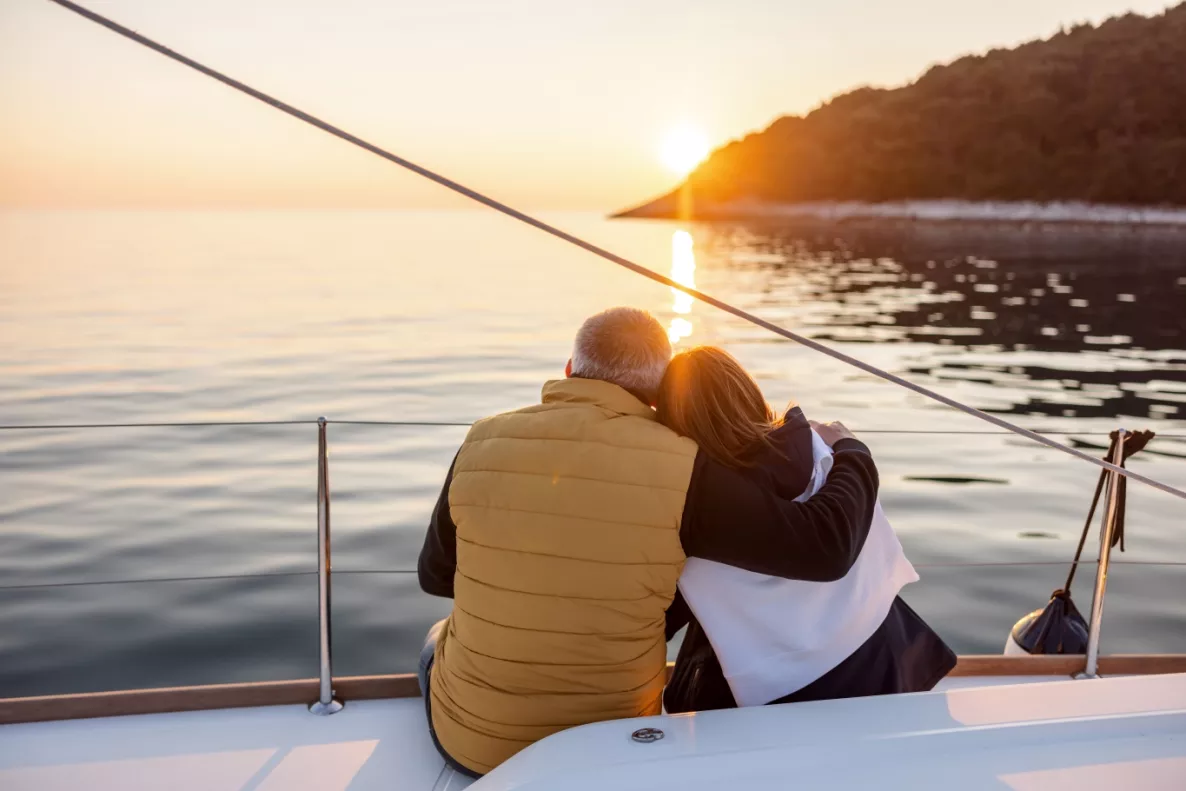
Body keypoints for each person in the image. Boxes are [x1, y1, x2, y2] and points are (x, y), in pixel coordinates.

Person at [417, 307, 883, 777]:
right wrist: (850, 452)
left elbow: (435, 576)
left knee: (435, 639)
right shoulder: (687, 468)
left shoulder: (481, 440)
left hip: (474, 748)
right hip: (612, 744)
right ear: (660, 392)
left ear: (568, 369)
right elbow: (824, 547)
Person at [656, 346, 956, 714]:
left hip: (785, 691)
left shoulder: (690, 498)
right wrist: (853, 450)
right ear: (748, 392)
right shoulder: (824, 452)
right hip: (881, 653)